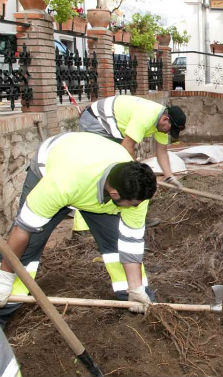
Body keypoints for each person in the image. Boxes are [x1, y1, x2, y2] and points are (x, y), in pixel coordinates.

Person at [0, 132, 158, 326]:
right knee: (28, 248)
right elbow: (22, 231)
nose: (137, 207)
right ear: (115, 194)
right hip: (53, 169)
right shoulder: (59, 184)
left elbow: (131, 241)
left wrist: (136, 288)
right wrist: (5, 278)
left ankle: (133, 297)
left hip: (90, 176)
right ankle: (4, 308)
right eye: (133, 205)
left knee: (117, 243)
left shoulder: (135, 189)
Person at [74, 96, 186, 230]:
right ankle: (82, 228)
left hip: (113, 129)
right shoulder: (146, 115)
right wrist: (141, 175)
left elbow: (162, 152)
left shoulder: (161, 123)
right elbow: (127, 147)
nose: (168, 132)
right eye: (169, 129)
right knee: (101, 172)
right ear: (165, 119)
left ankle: (135, 218)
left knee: (130, 178)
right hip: (96, 121)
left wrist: (169, 176)